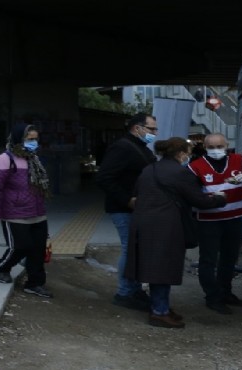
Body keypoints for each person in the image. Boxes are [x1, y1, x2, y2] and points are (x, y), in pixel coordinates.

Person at [125, 137, 227, 328]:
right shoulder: (180, 172)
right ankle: (160, 312)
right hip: (166, 226)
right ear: (180, 154)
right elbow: (200, 201)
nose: (188, 157)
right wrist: (221, 199)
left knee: (155, 268)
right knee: (163, 269)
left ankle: (160, 306)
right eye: (187, 153)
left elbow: (137, 194)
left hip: (143, 224)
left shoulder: (149, 169)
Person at [188, 133, 242, 314]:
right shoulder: (195, 166)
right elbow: (191, 193)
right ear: (205, 148)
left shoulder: (239, 160)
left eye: (219, 146)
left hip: (233, 218)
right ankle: (212, 297)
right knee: (208, 260)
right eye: (211, 147)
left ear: (226, 146)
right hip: (209, 221)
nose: (216, 150)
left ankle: (226, 292)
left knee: (229, 258)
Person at [95, 112, 158, 311]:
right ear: (137, 128)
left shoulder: (139, 147)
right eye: (151, 129)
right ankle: (124, 293)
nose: (154, 133)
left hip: (137, 208)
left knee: (135, 250)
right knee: (129, 249)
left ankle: (133, 289)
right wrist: (126, 199)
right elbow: (104, 177)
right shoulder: (122, 147)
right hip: (124, 209)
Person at [0, 123, 53, 298]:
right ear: (18, 139)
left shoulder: (34, 159)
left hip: (37, 212)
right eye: (30, 139)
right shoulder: (5, 159)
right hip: (15, 212)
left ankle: (35, 283)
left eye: (36, 139)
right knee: (20, 247)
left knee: (38, 250)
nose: (34, 142)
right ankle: (2, 267)